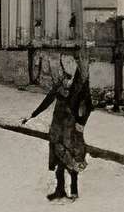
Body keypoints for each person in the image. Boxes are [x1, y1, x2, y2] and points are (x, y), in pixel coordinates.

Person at [25, 55, 92, 201]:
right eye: (65, 65)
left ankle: (74, 191)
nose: (67, 69)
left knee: (71, 156)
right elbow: (47, 100)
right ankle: (59, 190)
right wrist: (33, 115)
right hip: (57, 125)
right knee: (58, 157)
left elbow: (88, 105)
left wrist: (82, 122)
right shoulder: (60, 84)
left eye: (70, 64)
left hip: (71, 126)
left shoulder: (80, 87)